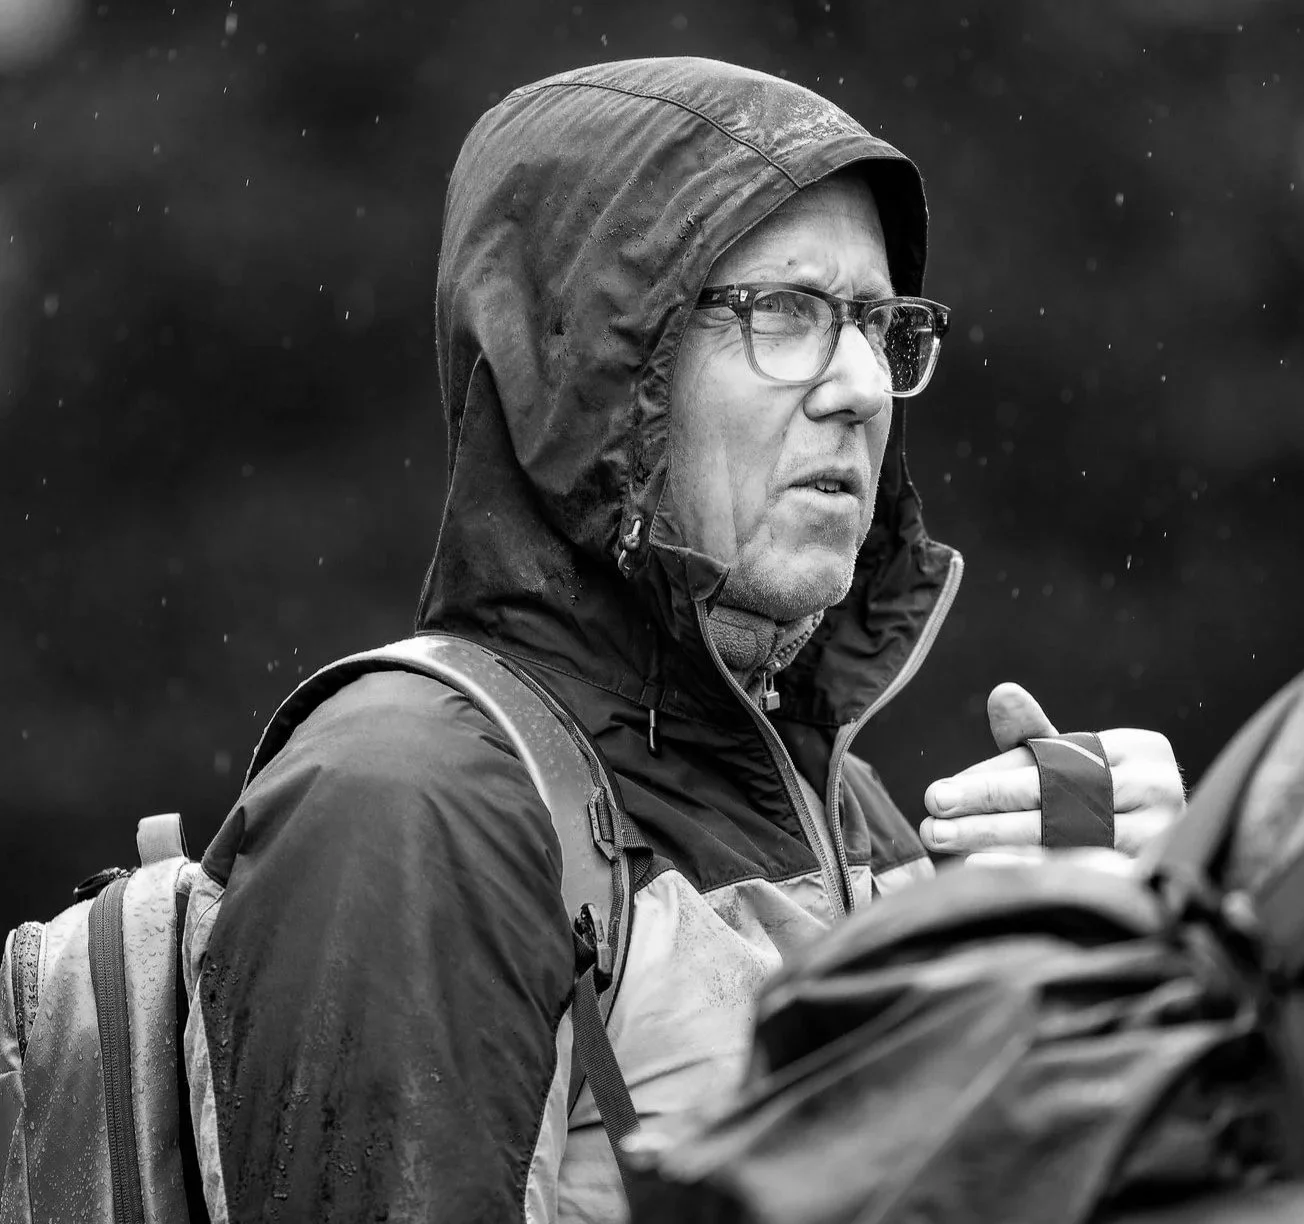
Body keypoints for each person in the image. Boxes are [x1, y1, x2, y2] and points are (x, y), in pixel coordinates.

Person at [180, 57, 1185, 1222]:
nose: (862, 383)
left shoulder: (850, 810)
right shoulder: (410, 799)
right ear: (598, 371)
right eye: (787, 312)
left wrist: (1121, 956)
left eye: (878, 322)